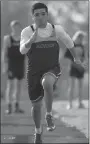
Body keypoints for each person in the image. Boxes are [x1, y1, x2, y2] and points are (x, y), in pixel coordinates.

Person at [20, 2, 82, 143]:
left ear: (47, 15)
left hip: (52, 68)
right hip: (33, 72)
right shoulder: (27, 31)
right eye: (37, 15)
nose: (40, 17)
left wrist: (76, 58)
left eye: (43, 14)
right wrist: (31, 40)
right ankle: (38, 132)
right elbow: (22, 50)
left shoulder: (56, 29)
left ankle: (48, 115)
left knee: (47, 83)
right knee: (36, 107)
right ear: (33, 17)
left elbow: (69, 42)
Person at [2, 20, 25, 114]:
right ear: (11, 28)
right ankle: (9, 106)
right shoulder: (8, 38)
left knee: (19, 86)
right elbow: (4, 53)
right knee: (10, 85)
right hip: (11, 64)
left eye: (17, 27)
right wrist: (4, 65)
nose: (16, 29)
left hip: (20, 63)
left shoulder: (23, 38)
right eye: (14, 27)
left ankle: (17, 106)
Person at [64, 31, 88, 109]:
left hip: (81, 69)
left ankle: (80, 103)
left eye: (82, 38)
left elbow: (84, 58)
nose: (81, 39)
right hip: (73, 68)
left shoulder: (82, 46)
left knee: (80, 87)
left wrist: (83, 66)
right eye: (80, 37)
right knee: (71, 86)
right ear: (77, 37)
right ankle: (69, 103)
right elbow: (67, 58)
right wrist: (76, 65)